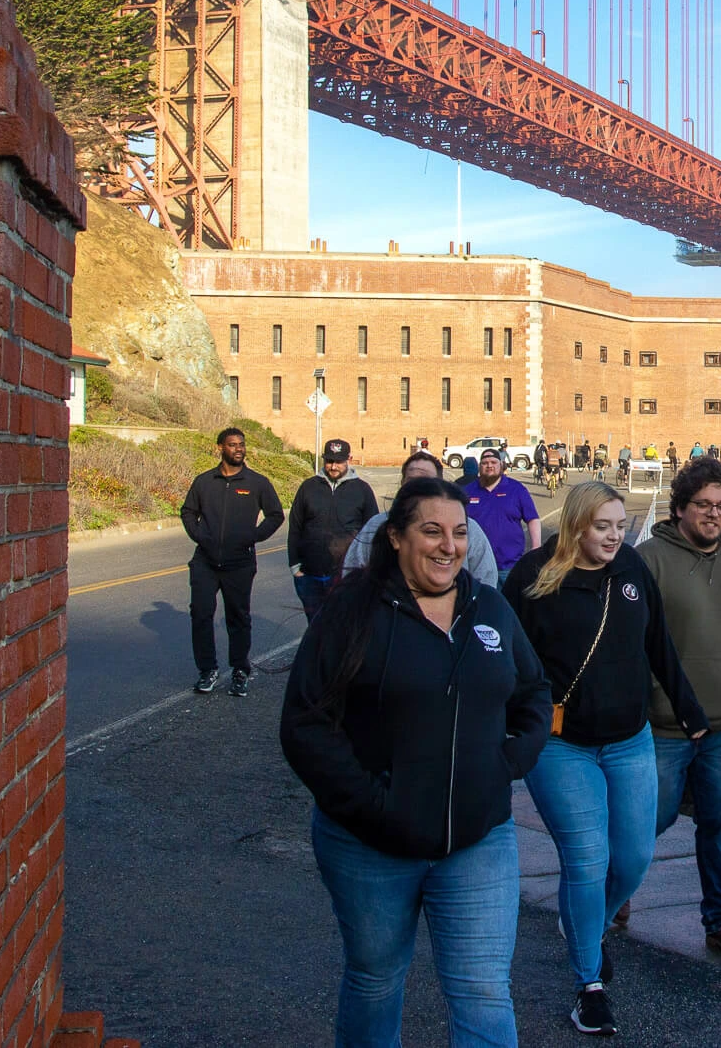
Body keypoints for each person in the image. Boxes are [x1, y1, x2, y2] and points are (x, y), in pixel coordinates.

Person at [281, 476, 552, 1048]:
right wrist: (373, 804)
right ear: (396, 538)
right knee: (376, 982)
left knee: (483, 993)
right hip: (370, 845)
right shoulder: (352, 611)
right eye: (431, 531)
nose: (447, 546)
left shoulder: (491, 607)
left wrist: (507, 763)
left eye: (458, 532)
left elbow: (532, 694)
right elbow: (305, 722)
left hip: (477, 843)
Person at [503, 481, 709, 1036]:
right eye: (603, 527)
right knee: (587, 859)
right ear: (576, 524)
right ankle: (588, 985)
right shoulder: (532, 577)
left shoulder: (632, 572)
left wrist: (691, 712)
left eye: (620, 526)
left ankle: (586, 926)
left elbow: (657, 643)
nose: (615, 536)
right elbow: (508, 657)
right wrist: (511, 722)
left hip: (630, 740)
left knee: (636, 857)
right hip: (560, 747)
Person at [634, 457, 721, 957]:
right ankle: (616, 892)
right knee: (651, 819)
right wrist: (652, 699)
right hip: (663, 726)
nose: (714, 514)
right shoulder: (648, 561)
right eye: (703, 505)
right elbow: (631, 644)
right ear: (680, 507)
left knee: (719, 821)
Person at [178, 427, 285, 696]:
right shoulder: (204, 481)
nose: (239, 449)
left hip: (240, 562)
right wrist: (201, 536)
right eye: (232, 445)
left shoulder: (257, 482)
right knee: (201, 615)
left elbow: (275, 515)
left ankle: (239, 670)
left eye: (241, 444)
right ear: (220, 448)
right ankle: (208, 671)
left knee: (238, 617)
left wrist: (253, 536)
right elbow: (188, 512)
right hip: (205, 561)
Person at [345, 453, 497, 591]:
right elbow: (352, 571)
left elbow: (486, 580)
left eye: (426, 482)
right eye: (411, 481)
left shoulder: (469, 529)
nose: (449, 547)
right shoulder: (376, 525)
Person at [288, 439, 380, 622]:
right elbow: (295, 527)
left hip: (347, 575)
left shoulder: (362, 490)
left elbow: (373, 532)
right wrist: (295, 566)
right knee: (314, 626)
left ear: (349, 459)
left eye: (338, 461)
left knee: (343, 627)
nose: (333, 466)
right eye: (329, 461)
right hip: (309, 575)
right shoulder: (308, 487)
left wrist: (369, 569)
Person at [466, 449, 540, 584]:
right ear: (479, 467)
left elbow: (532, 518)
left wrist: (536, 547)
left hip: (510, 566)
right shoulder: (467, 492)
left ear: (501, 465)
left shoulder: (516, 489)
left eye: (493, 462)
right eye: (485, 463)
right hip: (477, 567)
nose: (489, 466)